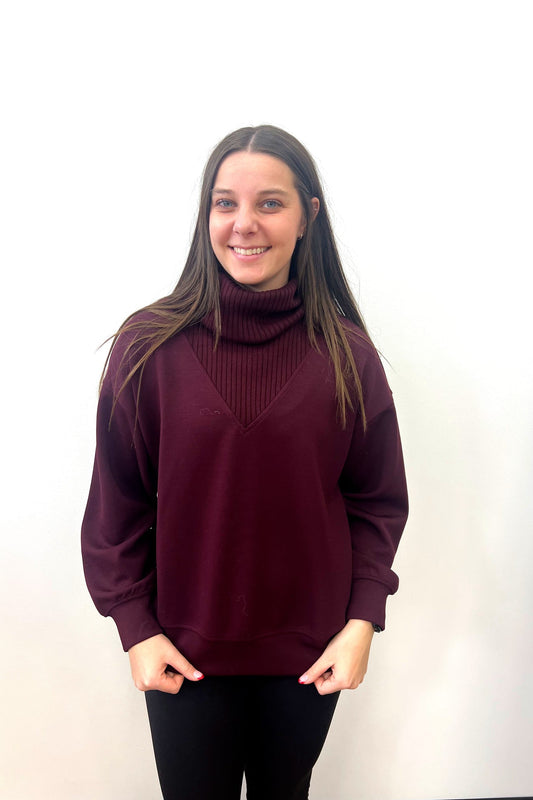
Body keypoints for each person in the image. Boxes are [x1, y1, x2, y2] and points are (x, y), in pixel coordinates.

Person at [81, 124, 408, 800]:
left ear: (306, 216)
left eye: (269, 203)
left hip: (309, 656)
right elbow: (116, 506)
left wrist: (359, 622)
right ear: (206, 215)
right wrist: (136, 630)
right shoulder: (148, 347)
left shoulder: (347, 354)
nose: (243, 224)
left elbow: (376, 501)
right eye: (225, 203)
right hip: (182, 655)